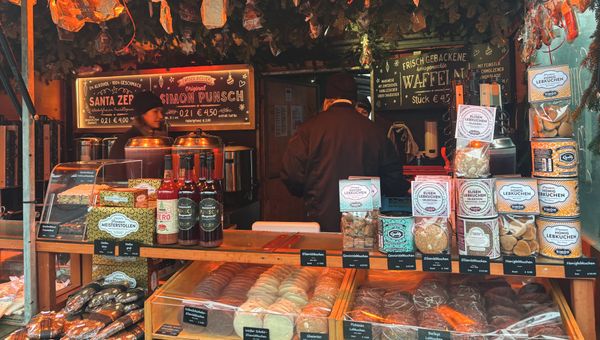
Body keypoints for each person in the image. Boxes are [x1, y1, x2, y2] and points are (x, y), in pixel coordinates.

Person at [281, 72, 409, 232]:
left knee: (321, 256)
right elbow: (393, 179)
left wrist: (310, 193)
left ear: (327, 101)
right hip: (364, 225)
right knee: (361, 255)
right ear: (354, 101)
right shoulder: (374, 131)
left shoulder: (308, 129)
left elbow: (291, 173)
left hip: (320, 222)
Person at [109, 91, 166, 159]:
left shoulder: (161, 139)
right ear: (142, 114)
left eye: (161, 112)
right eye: (155, 111)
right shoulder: (125, 142)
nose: (161, 116)